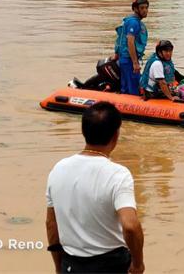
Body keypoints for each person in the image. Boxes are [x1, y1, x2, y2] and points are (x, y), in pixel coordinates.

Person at [46, 102, 144, 274]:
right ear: (116, 134)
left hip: (71, 263)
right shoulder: (118, 174)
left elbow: (51, 225)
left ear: (83, 132)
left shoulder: (58, 169)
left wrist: (58, 267)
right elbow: (130, 226)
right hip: (111, 264)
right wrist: (138, 264)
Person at [115, 0, 149, 95]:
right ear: (135, 9)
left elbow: (120, 38)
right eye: (142, 8)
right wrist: (135, 63)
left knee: (125, 87)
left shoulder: (129, 20)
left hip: (125, 59)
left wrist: (117, 53)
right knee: (134, 87)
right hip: (129, 59)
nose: (145, 10)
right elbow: (130, 42)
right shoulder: (134, 22)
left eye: (146, 8)